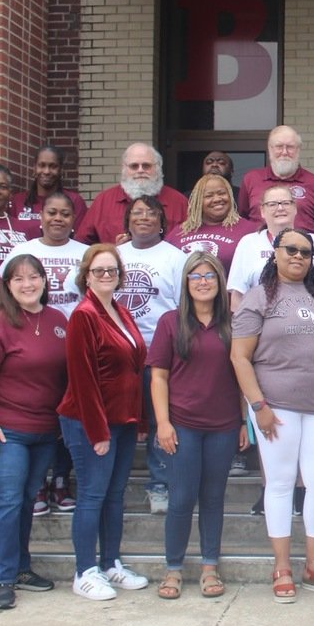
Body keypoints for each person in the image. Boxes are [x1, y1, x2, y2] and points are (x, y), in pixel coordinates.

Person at [231, 228, 314, 602]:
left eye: (305, 251)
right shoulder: (258, 297)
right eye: (291, 250)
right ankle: (281, 565)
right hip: (276, 408)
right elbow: (239, 357)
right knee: (281, 484)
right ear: (275, 253)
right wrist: (259, 407)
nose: (298, 256)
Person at [0, 254, 67, 609]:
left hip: (43, 431)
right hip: (3, 429)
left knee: (25, 501)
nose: (28, 284)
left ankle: (22, 568)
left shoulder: (58, 321)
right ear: (7, 285)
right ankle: (4, 578)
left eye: (34, 277)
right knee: (6, 501)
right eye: (19, 279)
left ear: (44, 280)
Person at [149, 252, 245, 600]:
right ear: (185, 283)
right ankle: (173, 568)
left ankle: (209, 566)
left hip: (222, 425)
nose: (203, 281)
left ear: (220, 282)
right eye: (195, 276)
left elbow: (241, 376)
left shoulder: (234, 323)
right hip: (183, 424)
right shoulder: (170, 322)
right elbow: (158, 376)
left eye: (209, 275)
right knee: (182, 497)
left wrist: (243, 421)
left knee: (213, 496)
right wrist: (163, 423)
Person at [57, 243, 150, 600]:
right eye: (99, 271)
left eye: (112, 270)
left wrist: (138, 420)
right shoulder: (84, 315)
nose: (107, 276)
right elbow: (82, 379)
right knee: (93, 496)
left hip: (122, 420)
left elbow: (132, 368)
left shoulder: (119, 311)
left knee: (114, 495)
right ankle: (84, 571)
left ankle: (111, 563)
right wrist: (97, 432)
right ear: (86, 276)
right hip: (89, 422)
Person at [2, 190, 87, 515]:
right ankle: (39, 483)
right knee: (36, 414)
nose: (58, 218)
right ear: (41, 216)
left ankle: (62, 479)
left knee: (66, 416)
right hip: (30, 346)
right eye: (52, 212)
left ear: (73, 218)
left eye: (65, 213)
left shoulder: (84, 252)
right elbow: (5, 296)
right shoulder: (23, 251)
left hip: (73, 346)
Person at [116, 196, 186, 514]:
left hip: (159, 352)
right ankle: (115, 483)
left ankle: (160, 485)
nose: (144, 217)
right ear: (127, 220)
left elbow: (185, 307)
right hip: (117, 353)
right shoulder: (113, 256)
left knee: (161, 421)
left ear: (162, 221)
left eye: (151, 213)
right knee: (120, 419)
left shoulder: (175, 257)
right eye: (137, 213)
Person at [228, 184, 314, 309]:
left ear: (295, 208)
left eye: (286, 203)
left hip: (311, 322)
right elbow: (237, 296)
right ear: (262, 211)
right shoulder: (248, 243)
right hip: (261, 322)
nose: (280, 208)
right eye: (272, 204)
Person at [77, 142, 188, 245]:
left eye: (146, 166)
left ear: (158, 168)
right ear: (124, 169)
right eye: (134, 166)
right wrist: (113, 251)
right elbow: (82, 244)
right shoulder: (103, 201)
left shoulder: (179, 202)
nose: (140, 170)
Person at [238, 125, 314, 240]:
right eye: (279, 146)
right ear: (270, 149)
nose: (284, 152)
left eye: (290, 147)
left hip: (301, 254)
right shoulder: (250, 179)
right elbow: (241, 221)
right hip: (258, 254)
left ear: (298, 150)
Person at [168, 173, 258, 275]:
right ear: (198, 201)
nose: (217, 199)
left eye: (222, 193)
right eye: (209, 196)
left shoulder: (249, 230)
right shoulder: (179, 232)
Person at [10, 145, 87, 228]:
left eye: (53, 166)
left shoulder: (74, 201)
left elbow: (79, 238)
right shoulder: (17, 201)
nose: (46, 171)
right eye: (42, 165)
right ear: (34, 168)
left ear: (61, 170)